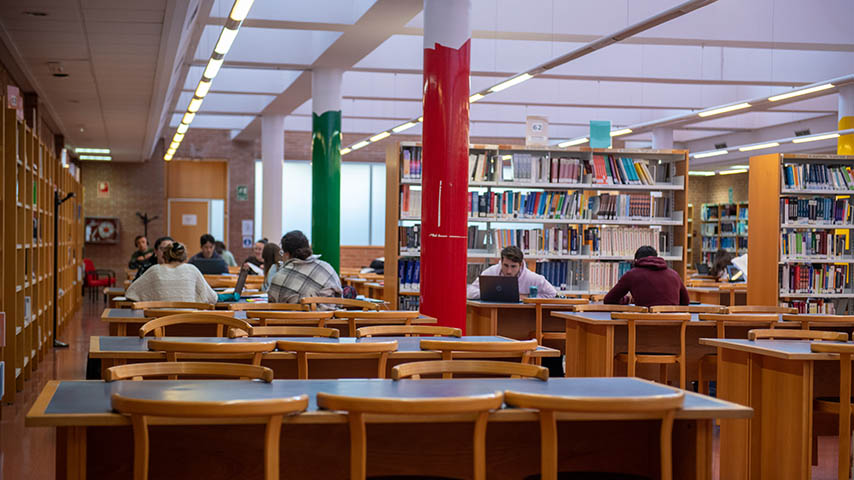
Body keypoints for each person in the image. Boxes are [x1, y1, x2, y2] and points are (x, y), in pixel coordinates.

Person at [125, 242, 218, 304]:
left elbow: (130, 293)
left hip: (158, 327)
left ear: (164, 256)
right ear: (185, 257)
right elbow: (213, 298)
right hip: (189, 327)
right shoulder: (192, 270)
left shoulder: (155, 270)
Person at [267, 230, 342, 307]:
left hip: (293, 318)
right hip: (328, 318)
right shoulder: (327, 268)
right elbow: (340, 300)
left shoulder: (278, 277)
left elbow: (273, 305)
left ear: (287, 254)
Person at [603, 246, 689, 307]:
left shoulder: (632, 274)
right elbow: (685, 302)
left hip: (643, 327)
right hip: (675, 327)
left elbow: (609, 300)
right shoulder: (674, 274)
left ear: (636, 261)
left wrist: (627, 300)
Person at [466, 245, 557, 299]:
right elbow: (470, 292)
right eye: (505, 265)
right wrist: (496, 294)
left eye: (513, 266)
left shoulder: (533, 278)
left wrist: (525, 297)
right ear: (501, 262)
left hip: (522, 317)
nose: (509, 271)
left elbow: (552, 294)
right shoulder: (491, 272)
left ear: (520, 265)